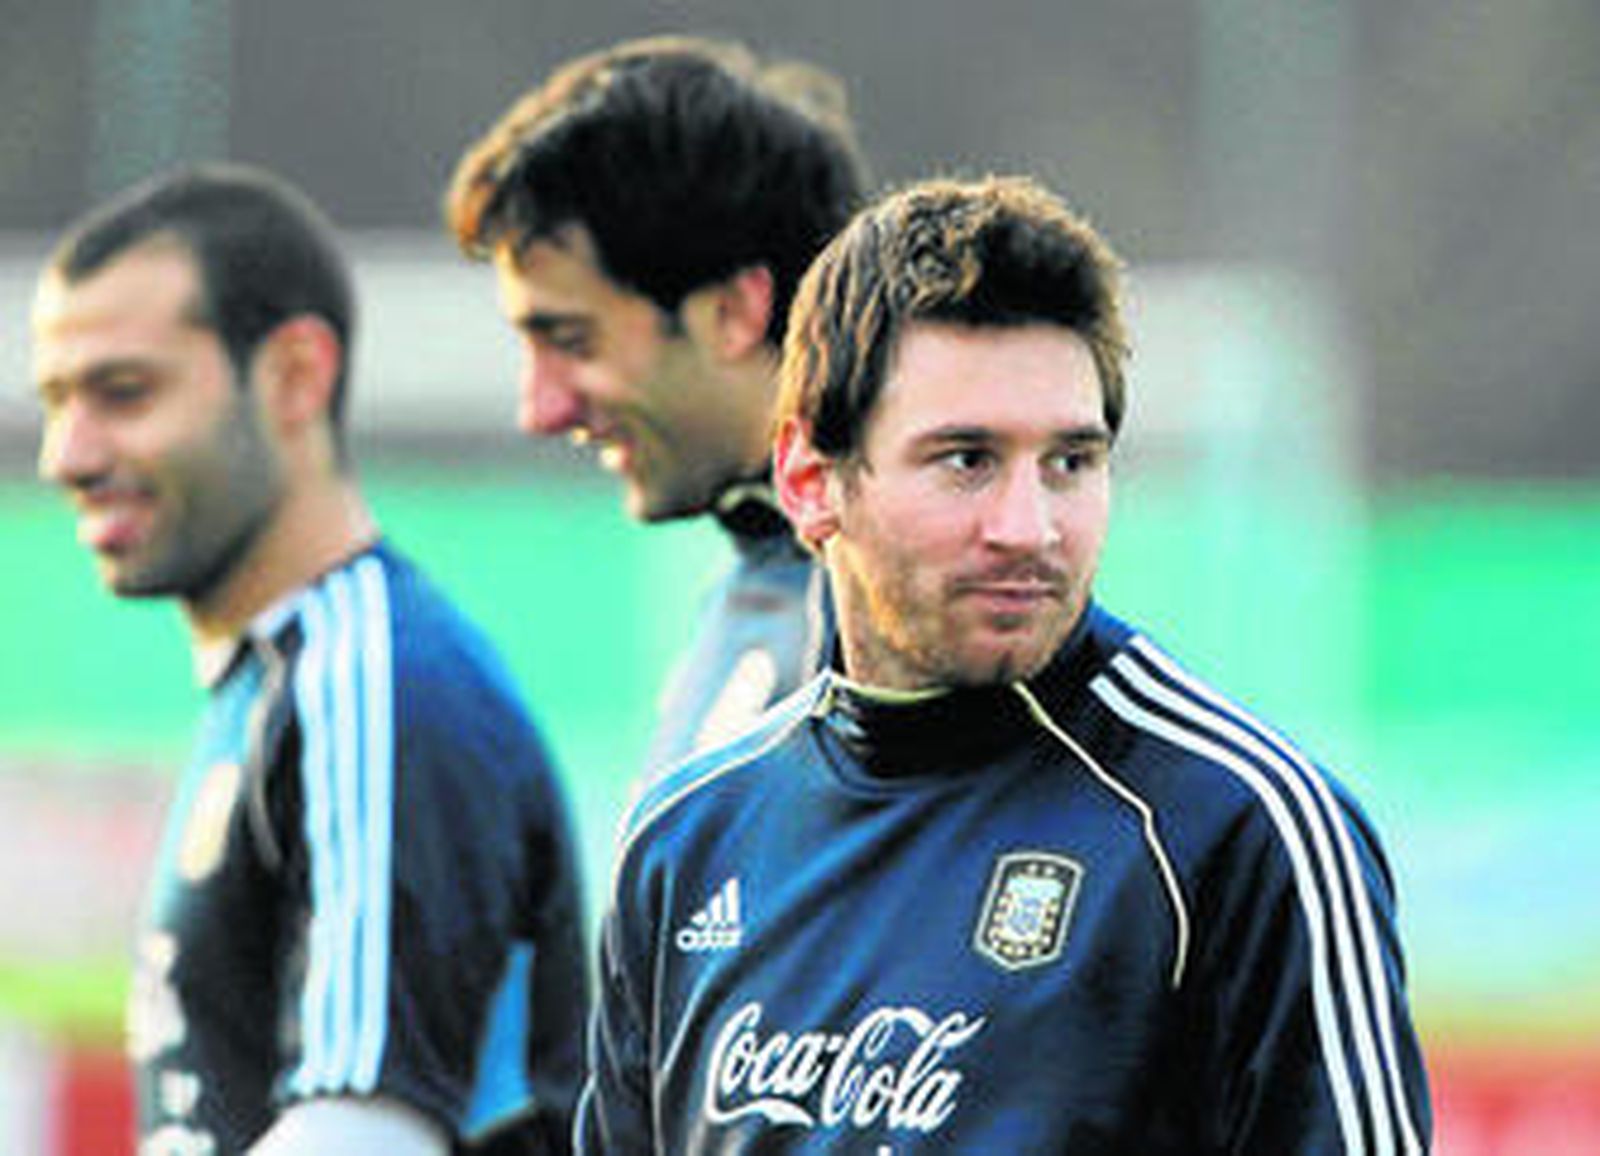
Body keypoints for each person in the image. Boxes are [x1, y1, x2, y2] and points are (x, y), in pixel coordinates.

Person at [576, 175, 1433, 1153]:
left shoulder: (1242, 830)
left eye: (1070, 462)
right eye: (966, 460)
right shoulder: (686, 842)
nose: (1028, 527)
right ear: (810, 482)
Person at [32, 164, 589, 1155]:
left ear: (295, 375)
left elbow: (367, 1132)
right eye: (57, 400)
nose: (67, 454)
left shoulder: (371, 679)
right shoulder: (280, 681)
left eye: (123, 393)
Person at [444, 35, 868, 772]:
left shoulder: (896, 629)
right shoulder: (757, 584)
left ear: (732, 311)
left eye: (572, 340)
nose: (540, 411)